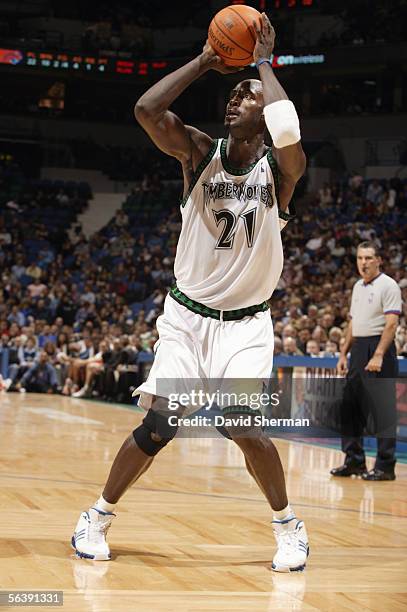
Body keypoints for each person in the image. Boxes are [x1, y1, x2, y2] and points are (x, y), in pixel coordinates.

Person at [72, 14, 309, 572]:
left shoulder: (281, 171)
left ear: (265, 110)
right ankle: (97, 515)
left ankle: (288, 526)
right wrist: (206, 59)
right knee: (160, 425)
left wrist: (262, 65)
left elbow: (291, 132)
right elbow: (147, 112)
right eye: (232, 97)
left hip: (247, 323)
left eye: (247, 97)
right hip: (188, 318)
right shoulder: (200, 153)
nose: (235, 103)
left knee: (243, 425)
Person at [331, 241, 402, 481]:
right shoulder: (357, 287)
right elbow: (353, 323)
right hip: (359, 348)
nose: (364, 263)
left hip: (379, 346)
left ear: (378, 260)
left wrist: (379, 354)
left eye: (369, 258)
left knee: (382, 410)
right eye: (360, 258)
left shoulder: (389, 285)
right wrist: (343, 353)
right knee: (350, 407)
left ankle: (385, 466)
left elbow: (391, 323)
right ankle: (354, 461)